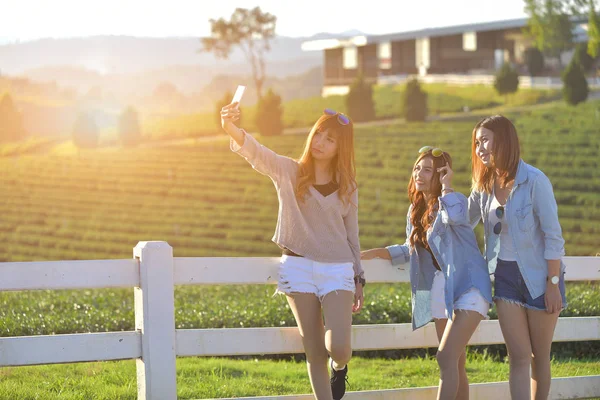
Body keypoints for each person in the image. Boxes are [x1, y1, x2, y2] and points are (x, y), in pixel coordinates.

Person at [220, 103, 365, 400]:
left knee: (339, 347)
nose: (320, 143)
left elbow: (352, 236)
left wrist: (359, 276)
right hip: (297, 268)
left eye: (330, 139)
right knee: (313, 350)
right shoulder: (289, 171)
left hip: (337, 268)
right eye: (318, 134)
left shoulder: (348, 187)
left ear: (341, 148)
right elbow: (257, 152)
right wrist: (230, 128)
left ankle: (340, 367)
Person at [361, 146, 492, 400]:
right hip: (440, 289)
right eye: (417, 168)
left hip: (468, 287)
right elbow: (411, 249)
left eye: (428, 170)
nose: (419, 173)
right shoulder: (414, 211)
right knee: (455, 363)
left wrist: (447, 187)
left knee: (445, 358)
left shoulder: (454, 202)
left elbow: (456, 217)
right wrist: (376, 252)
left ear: (441, 174)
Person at [468, 115, 567, 400]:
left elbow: (553, 237)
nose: (480, 148)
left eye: (485, 140)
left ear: (504, 140)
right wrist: (443, 189)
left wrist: (552, 283)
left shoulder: (535, 181)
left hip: (540, 277)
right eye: (476, 142)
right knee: (518, 357)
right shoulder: (484, 186)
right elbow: (463, 220)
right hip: (505, 279)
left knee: (539, 357)